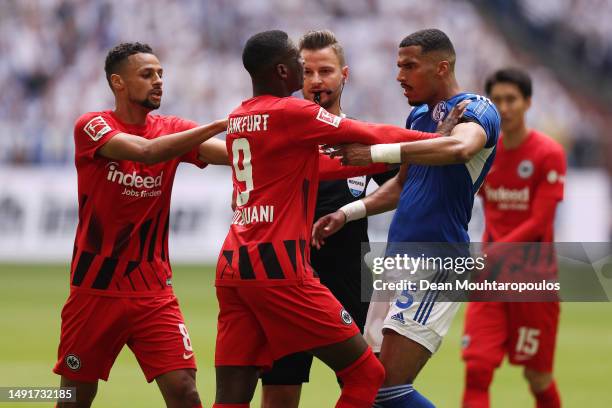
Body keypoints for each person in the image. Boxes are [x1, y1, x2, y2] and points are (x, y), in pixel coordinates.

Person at [213, 29, 463, 408]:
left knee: (232, 396)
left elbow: (320, 166)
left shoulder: (239, 117)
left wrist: (364, 183)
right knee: (366, 375)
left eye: (323, 70)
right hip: (283, 270)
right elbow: (372, 133)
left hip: (236, 264)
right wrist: (432, 140)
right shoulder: (295, 113)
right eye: (302, 66)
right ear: (283, 71)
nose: (310, 76)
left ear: (343, 75)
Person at [313, 28, 501, 407]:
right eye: (398, 66)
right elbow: (401, 185)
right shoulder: (418, 117)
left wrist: (377, 153)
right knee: (368, 386)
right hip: (396, 260)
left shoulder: (478, 109)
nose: (399, 76)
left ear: (442, 67)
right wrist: (348, 213)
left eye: (409, 66)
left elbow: (462, 148)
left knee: (388, 389)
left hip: (437, 262)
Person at [53, 42, 228, 408]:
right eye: (147, 75)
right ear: (118, 82)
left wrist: (271, 143)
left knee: (184, 389)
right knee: (74, 398)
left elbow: (229, 155)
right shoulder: (92, 126)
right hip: (94, 289)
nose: (158, 81)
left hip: (153, 289)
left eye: (161, 74)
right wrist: (221, 123)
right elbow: (146, 151)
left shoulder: (172, 128)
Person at [259, 29, 397, 408]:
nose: (316, 81)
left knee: (369, 386)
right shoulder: (277, 134)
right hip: (287, 277)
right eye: (307, 72)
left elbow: (402, 186)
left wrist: (351, 211)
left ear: (344, 75)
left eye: (325, 71)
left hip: (349, 276)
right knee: (280, 394)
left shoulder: (363, 139)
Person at [461, 68, 565, 408]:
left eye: (512, 100)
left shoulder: (548, 153)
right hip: (491, 281)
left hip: (534, 282)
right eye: (498, 101)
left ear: (528, 103)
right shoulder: (485, 153)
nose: (504, 108)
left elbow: (539, 222)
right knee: (476, 369)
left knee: (537, 377)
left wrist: (493, 253)